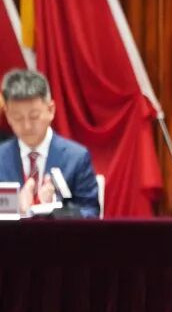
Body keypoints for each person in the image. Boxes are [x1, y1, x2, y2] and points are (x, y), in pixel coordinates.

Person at [0, 69, 99, 217]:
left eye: (34, 116)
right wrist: (15, 206)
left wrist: (53, 210)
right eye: (18, 118)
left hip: (58, 232)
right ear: (7, 115)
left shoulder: (76, 157)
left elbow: (91, 212)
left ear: (51, 110)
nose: (27, 126)